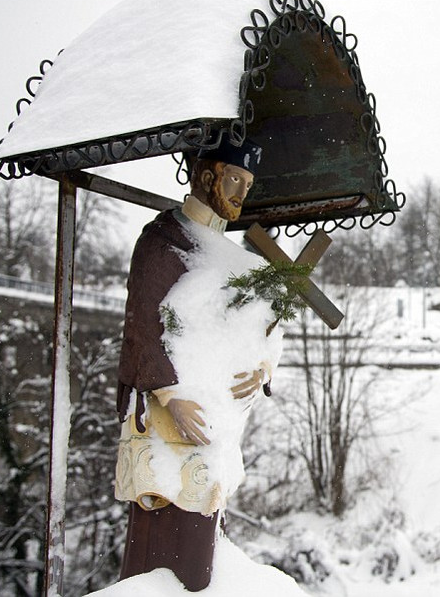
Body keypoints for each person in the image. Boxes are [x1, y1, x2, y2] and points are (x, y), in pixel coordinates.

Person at [114, 139, 270, 591]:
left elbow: (251, 326)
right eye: (235, 179)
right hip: (169, 414)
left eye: (248, 184)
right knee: (162, 537)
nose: (242, 192)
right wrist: (170, 394)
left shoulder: (229, 254)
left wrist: (261, 369)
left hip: (214, 420)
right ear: (206, 176)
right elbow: (143, 321)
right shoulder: (165, 240)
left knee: (203, 538)